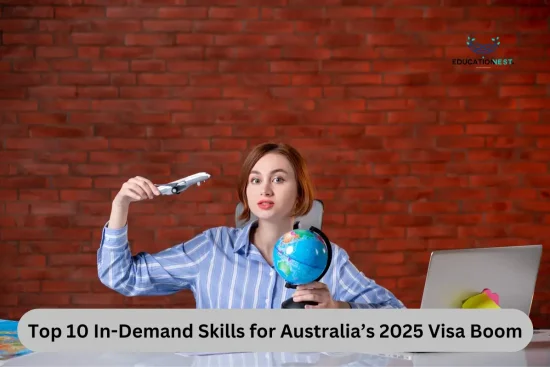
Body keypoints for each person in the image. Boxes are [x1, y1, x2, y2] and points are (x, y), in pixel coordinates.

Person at [97, 142, 405, 309]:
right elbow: (121, 277)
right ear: (246, 191)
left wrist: (339, 311)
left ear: (299, 193)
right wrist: (120, 205)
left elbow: (395, 317)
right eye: (255, 180)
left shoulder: (329, 259)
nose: (265, 189)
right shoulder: (212, 248)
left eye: (279, 179)